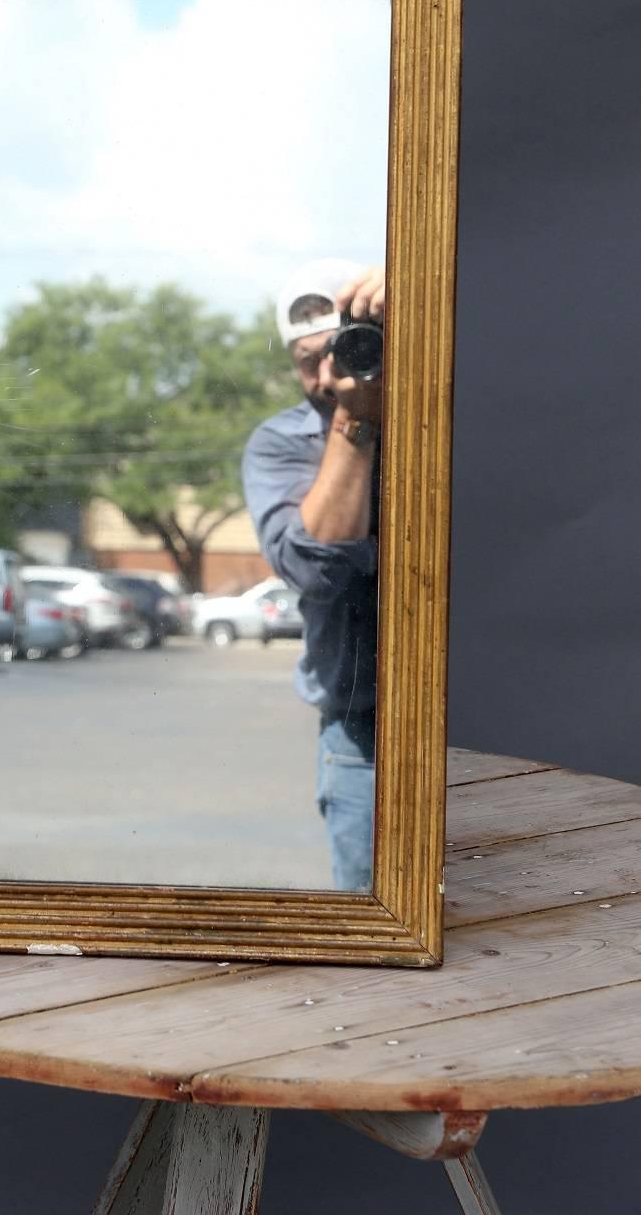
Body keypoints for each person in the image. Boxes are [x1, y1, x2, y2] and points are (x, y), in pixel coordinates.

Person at [242, 257, 385, 890]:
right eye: (308, 361)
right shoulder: (279, 443)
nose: (330, 373)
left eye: (345, 347)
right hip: (362, 730)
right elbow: (314, 567)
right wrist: (360, 420)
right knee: (373, 918)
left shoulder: (444, 406)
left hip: (484, 719)